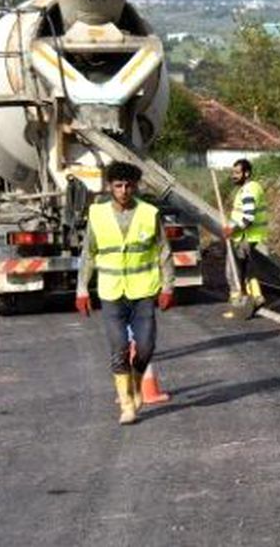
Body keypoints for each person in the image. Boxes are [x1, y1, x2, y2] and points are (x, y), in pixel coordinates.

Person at [75, 161, 175, 425]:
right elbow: (88, 255)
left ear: (136, 186)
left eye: (128, 185)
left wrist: (168, 287)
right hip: (111, 294)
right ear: (110, 187)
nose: (124, 190)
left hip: (143, 293)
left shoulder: (149, 213)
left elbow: (163, 252)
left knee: (145, 347)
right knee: (119, 347)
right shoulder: (97, 215)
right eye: (118, 185)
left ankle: (137, 380)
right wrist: (82, 289)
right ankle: (128, 404)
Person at [222, 158, 269, 306]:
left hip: (245, 236)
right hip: (249, 236)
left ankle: (237, 298)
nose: (233, 175)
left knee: (233, 269)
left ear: (246, 173)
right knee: (247, 268)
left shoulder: (248, 190)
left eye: (237, 172)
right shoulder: (250, 188)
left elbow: (248, 217)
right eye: (233, 172)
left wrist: (232, 229)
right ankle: (256, 296)